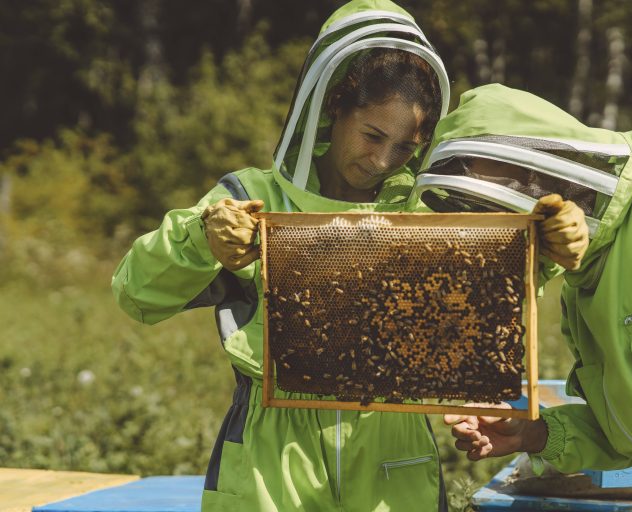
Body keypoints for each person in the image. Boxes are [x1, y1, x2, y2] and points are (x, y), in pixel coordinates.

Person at [112, 2, 450, 511]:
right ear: (333, 105)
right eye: (373, 135)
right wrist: (204, 240)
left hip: (393, 452)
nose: (383, 160)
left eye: (404, 147)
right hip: (276, 456)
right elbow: (136, 293)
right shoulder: (253, 198)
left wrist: (548, 249)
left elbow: (494, 305)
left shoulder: (422, 212)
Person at [410, 84, 632, 511]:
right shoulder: (583, 288)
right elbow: (625, 432)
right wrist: (533, 433)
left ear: (540, 160)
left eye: (506, 188)